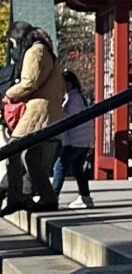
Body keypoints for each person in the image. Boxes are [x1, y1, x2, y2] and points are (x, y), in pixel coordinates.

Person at [0, 29, 62, 216]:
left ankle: (16, 198)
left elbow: (29, 82)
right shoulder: (46, 53)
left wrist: (9, 94)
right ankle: (48, 198)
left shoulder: (35, 51)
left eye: (13, 44)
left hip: (37, 111)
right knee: (31, 157)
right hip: (46, 109)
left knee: (13, 151)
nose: (13, 49)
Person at [51, 71, 96, 209]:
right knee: (78, 168)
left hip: (75, 139)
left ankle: (52, 196)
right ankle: (85, 197)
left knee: (60, 166)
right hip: (84, 139)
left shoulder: (73, 99)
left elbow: (66, 117)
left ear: (68, 84)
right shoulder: (79, 97)